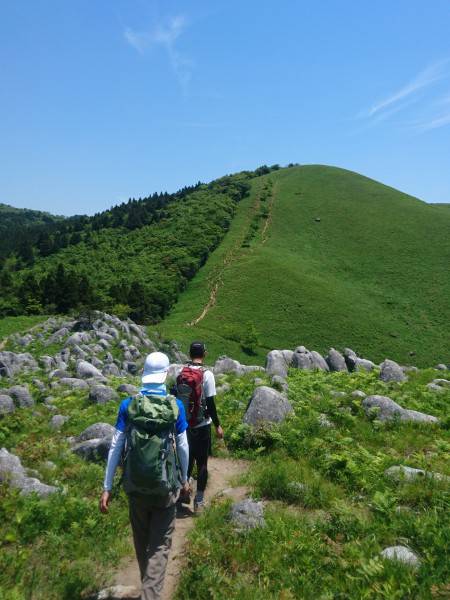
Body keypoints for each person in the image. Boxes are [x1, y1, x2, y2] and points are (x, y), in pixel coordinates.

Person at [99, 351, 189, 600]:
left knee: (141, 541)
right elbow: (182, 447)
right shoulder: (176, 406)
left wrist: (107, 487)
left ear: (145, 374)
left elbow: (116, 446)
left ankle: (148, 587)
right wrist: (184, 480)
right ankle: (151, 593)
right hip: (166, 488)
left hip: (135, 486)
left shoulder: (128, 405)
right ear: (165, 374)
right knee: (160, 545)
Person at [180, 341, 223, 513]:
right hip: (203, 425)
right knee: (202, 463)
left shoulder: (181, 373)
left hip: (185, 425)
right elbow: (210, 404)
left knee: (186, 459)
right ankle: (199, 501)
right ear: (204, 354)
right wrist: (218, 426)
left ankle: (184, 489)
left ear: (189, 354)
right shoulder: (207, 375)